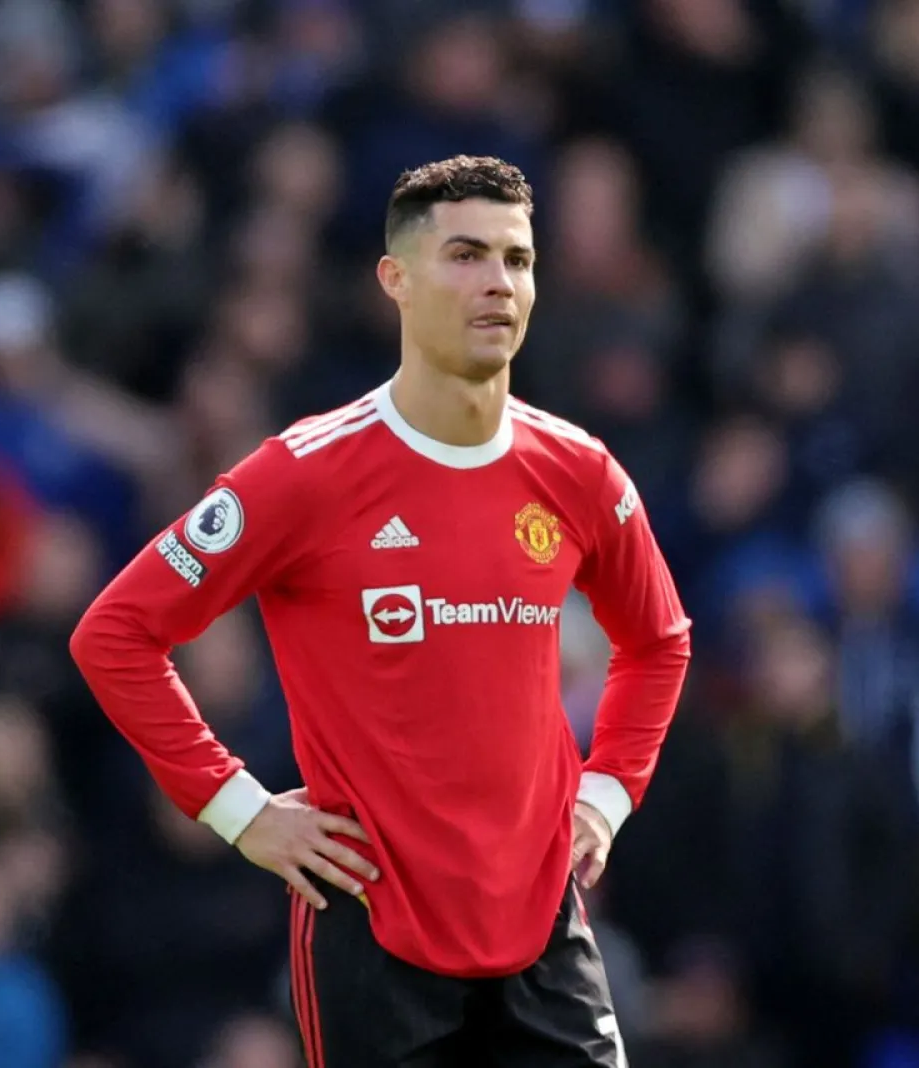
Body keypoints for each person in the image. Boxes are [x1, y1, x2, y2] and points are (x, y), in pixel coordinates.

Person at [70, 155, 692, 1066]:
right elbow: (115, 635)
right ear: (395, 281)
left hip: (543, 926)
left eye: (518, 261)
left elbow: (660, 641)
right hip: (375, 934)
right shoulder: (305, 473)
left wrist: (606, 793)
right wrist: (241, 810)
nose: (498, 284)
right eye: (467, 255)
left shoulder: (579, 471)